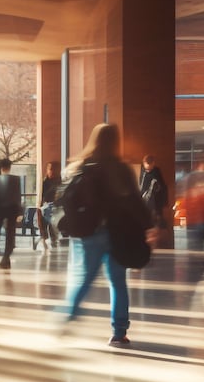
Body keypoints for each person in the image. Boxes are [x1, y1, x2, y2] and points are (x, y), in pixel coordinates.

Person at [56, 123, 153, 347]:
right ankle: (119, 333)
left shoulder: (82, 166)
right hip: (117, 233)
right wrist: (149, 225)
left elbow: (64, 198)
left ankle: (66, 316)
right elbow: (135, 202)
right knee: (117, 282)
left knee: (83, 279)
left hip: (89, 233)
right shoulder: (121, 169)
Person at [0, 157, 23, 269]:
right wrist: (19, 212)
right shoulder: (16, 179)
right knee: (10, 235)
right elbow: (17, 197)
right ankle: (6, 257)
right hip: (12, 210)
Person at [139, 155, 169, 229]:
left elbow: (163, 187)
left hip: (156, 202)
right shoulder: (143, 172)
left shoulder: (157, 172)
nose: (148, 170)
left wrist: (164, 202)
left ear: (153, 164)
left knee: (158, 221)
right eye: (147, 169)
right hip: (146, 201)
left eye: (150, 169)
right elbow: (141, 185)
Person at [39, 161, 62, 249]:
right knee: (46, 220)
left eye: (52, 169)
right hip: (46, 206)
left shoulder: (59, 181)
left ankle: (53, 240)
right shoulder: (45, 182)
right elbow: (42, 195)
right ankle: (46, 239)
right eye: (49, 169)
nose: (50, 171)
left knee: (52, 221)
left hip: (56, 206)